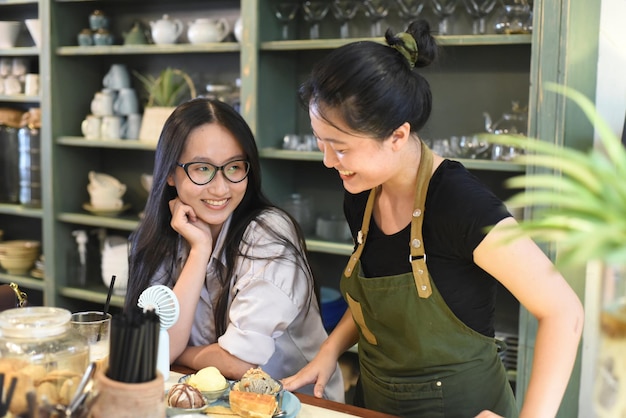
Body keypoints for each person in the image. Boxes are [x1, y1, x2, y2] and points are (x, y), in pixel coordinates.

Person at [282, 20, 584, 417]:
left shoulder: (461, 204)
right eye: (322, 144)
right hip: (375, 405)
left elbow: (564, 311)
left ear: (397, 135)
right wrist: (329, 349)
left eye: (340, 148)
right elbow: (375, 300)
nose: (327, 162)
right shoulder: (361, 193)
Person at [124, 98, 344, 402]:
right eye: (202, 168)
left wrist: (178, 352)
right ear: (170, 174)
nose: (221, 188)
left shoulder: (268, 235)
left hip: (296, 408)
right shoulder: (161, 237)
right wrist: (199, 251)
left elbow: (239, 363)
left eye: (234, 167)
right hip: (212, 402)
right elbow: (157, 345)